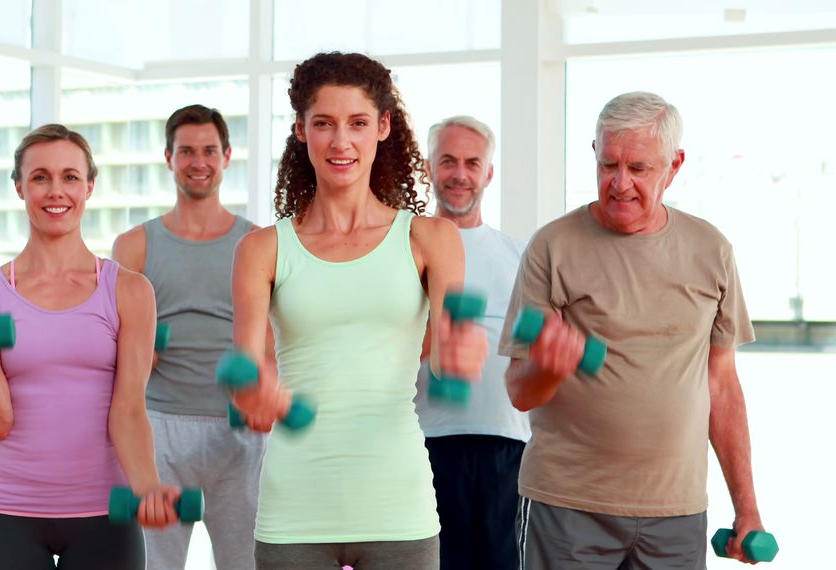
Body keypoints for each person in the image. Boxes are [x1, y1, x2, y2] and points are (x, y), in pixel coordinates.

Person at [229, 52, 488, 569]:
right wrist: (253, 396)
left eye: (358, 123)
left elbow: (444, 363)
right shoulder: (262, 249)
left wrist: (463, 356)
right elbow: (248, 373)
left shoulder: (430, 238)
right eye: (323, 123)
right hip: (294, 506)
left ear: (384, 127)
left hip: (398, 505)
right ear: (301, 130)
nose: (340, 141)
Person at [502, 92, 765, 568]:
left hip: (677, 511)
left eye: (639, 169)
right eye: (608, 165)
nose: (619, 184)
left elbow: (722, 387)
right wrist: (549, 365)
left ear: (674, 165)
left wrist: (747, 510)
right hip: (568, 505)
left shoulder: (711, 250)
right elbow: (520, 391)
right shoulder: (551, 248)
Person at [0, 124, 181, 569]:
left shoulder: (129, 291)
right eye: (40, 177)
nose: (57, 191)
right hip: (6, 510)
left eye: (70, 177)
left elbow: (129, 409)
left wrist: (147, 485)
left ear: (89, 186)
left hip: (103, 515)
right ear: (19, 187)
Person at [112, 104, 265, 570]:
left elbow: (271, 342)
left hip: (238, 432)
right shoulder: (134, 244)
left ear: (227, 157)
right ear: (168, 158)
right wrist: (142, 353)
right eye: (187, 151)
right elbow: (118, 347)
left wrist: (263, 390)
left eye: (209, 151)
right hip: (159, 430)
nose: (198, 161)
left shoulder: (257, 242)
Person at [413, 116, 530, 570]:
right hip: (427, 441)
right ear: (429, 168)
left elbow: (533, 352)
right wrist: (436, 339)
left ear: (488, 173)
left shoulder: (518, 254)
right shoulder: (407, 247)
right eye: (448, 161)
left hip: (507, 442)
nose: (460, 174)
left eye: (471, 162)